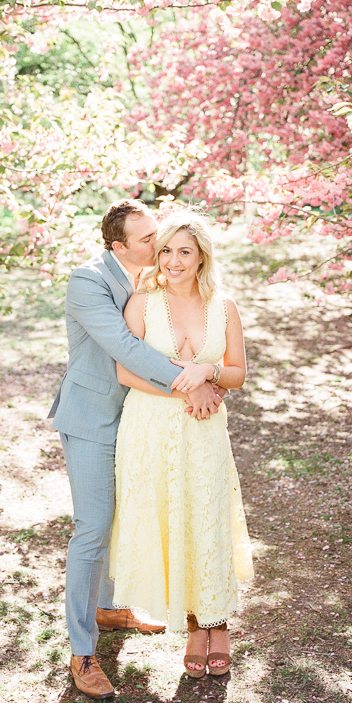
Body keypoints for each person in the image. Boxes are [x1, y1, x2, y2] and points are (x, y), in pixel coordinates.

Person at [48, 199, 223, 699]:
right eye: (149, 239)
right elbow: (125, 348)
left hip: (138, 420)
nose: (160, 243)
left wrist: (208, 368)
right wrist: (189, 382)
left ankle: (108, 606)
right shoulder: (88, 281)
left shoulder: (150, 280)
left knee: (121, 517)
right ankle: (83, 651)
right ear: (119, 246)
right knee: (91, 527)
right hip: (92, 418)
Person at [110, 210, 253, 678]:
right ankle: (194, 624)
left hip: (205, 428)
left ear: (201, 258)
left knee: (207, 516)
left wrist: (208, 374)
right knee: (173, 518)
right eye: (166, 249)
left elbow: (237, 373)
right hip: (151, 427)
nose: (172, 260)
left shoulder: (223, 305)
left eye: (184, 252)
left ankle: (218, 621)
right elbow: (125, 372)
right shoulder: (143, 302)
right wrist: (185, 386)